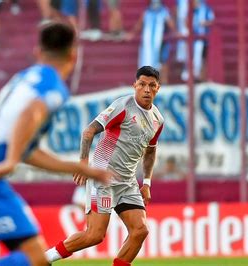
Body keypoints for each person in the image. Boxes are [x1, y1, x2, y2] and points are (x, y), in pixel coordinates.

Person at [0, 23, 111, 266]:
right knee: (35, 259)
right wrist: (11, 161)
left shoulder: (22, 79)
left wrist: (80, 168)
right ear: (74, 55)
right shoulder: (53, 87)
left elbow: (27, 150)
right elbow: (30, 114)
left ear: (38, 52)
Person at [45, 66, 165, 266]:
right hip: (104, 178)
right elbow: (88, 131)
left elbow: (151, 150)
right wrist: (83, 164)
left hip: (127, 183)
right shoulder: (123, 106)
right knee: (95, 235)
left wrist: (147, 182)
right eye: (142, 84)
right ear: (134, 85)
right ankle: (45, 258)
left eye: (152, 86)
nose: (146, 90)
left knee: (140, 230)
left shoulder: (157, 120)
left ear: (158, 89)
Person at [126, 0, 176, 84]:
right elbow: (139, 24)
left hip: (161, 42)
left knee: (162, 62)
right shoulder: (147, 12)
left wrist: (175, 32)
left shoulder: (164, 11)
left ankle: (164, 82)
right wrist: (132, 33)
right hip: (148, 43)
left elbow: (171, 24)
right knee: (147, 61)